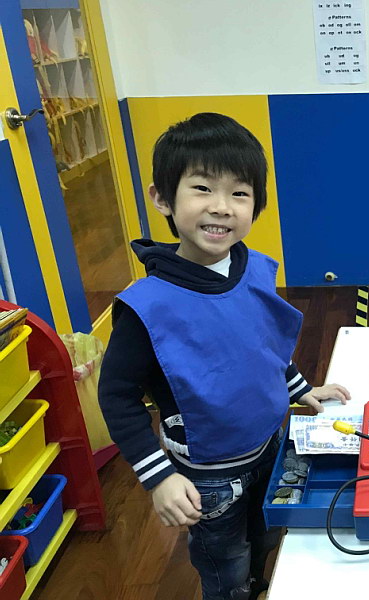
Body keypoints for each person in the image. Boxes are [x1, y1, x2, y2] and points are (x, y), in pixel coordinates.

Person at [99, 112, 350, 600]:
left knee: (267, 539)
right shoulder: (146, 306)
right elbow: (116, 396)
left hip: (269, 444)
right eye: (202, 189)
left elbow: (265, 343)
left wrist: (301, 389)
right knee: (226, 567)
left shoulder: (252, 266)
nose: (221, 206)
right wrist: (159, 477)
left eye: (239, 193)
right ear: (162, 198)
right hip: (210, 476)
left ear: (257, 205)